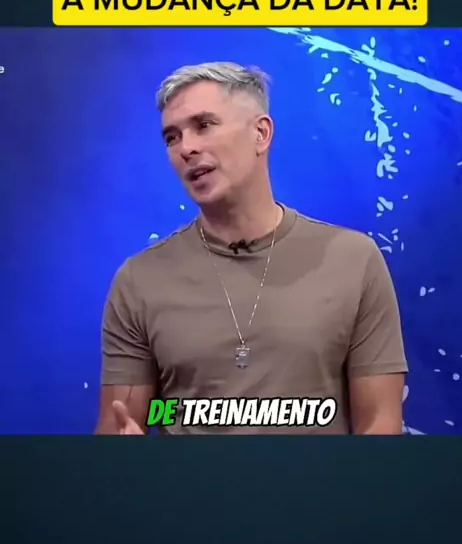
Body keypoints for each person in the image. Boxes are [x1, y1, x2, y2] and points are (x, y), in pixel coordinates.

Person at [96, 62, 407, 436]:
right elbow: (120, 426)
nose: (186, 148)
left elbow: (380, 423)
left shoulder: (353, 260)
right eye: (172, 137)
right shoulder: (140, 281)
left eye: (203, 125)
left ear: (261, 133)